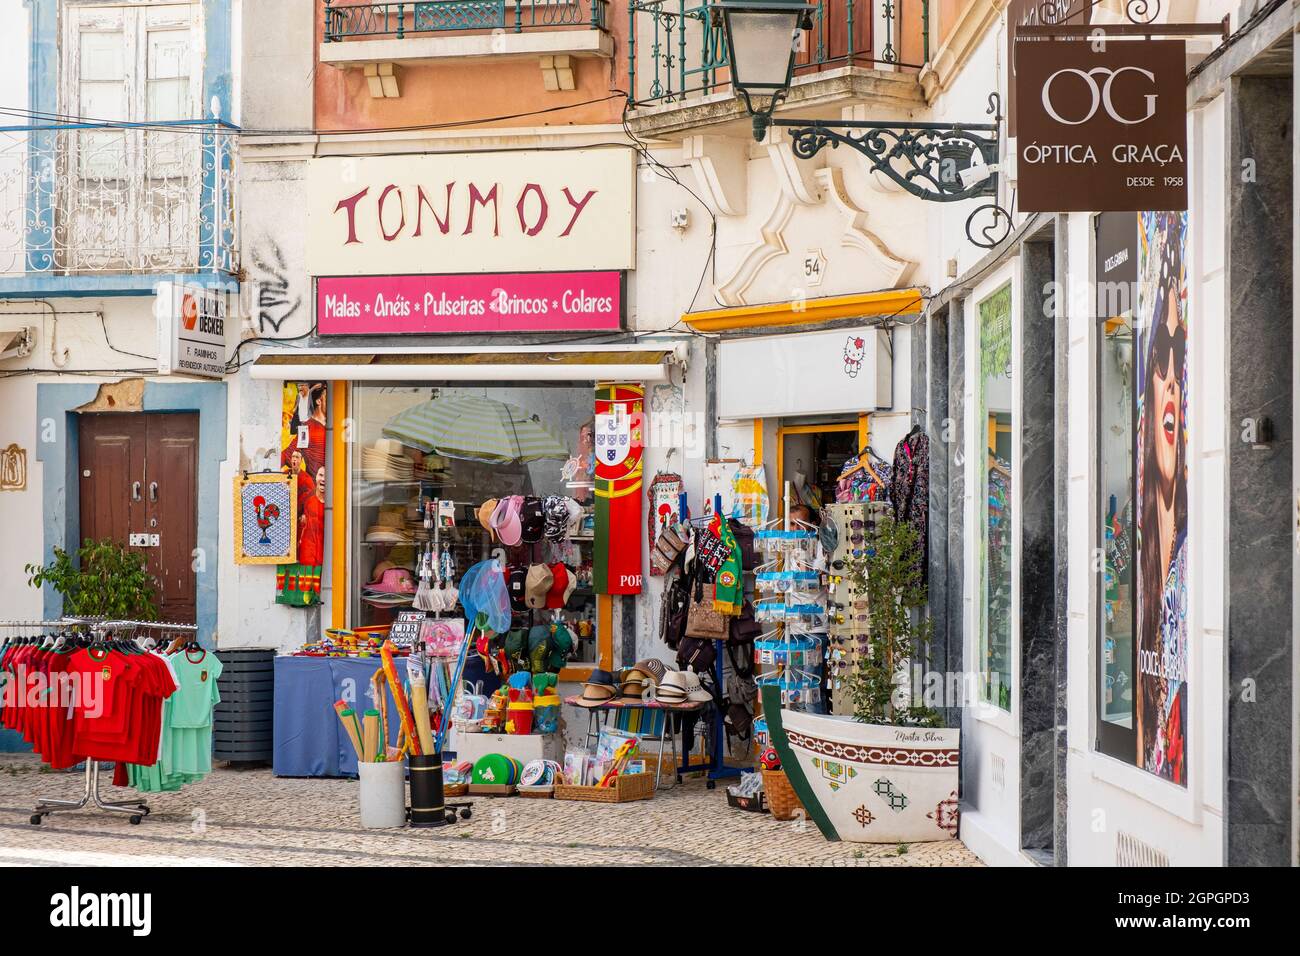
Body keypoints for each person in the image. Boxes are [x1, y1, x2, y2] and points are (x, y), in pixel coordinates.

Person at [1136, 214, 1187, 784]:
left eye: (1179, 354)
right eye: (1162, 358)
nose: (1173, 377)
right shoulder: (1150, 550)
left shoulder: (1189, 552)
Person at [298, 466, 326, 568]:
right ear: (316, 477)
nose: (323, 479)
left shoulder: (333, 505)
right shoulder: (308, 500)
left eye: (327, 476)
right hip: (307, 552)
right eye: (321, 475)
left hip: (325, 552)